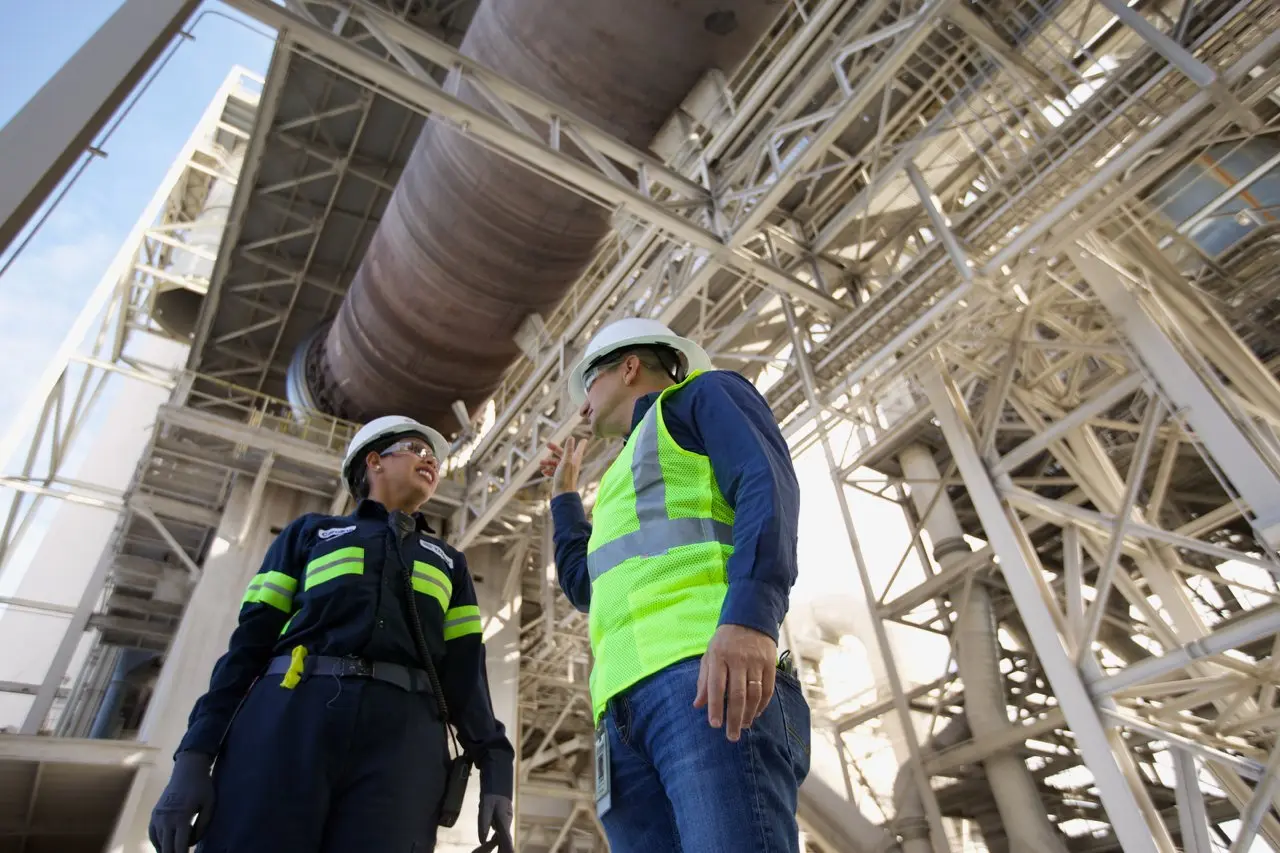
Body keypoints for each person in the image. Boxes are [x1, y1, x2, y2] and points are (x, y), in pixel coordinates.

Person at [149, 415, 515, 853]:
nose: (430, 460)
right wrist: (193, 757)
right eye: (416, 449)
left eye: (434, 456)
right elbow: (247, 649)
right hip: (289, 723)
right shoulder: (311, 534)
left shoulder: (449, 562)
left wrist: (496, 771)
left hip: (402, 746)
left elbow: (466, 676)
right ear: (374, 461)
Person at [539, 318, 811, 852]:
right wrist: (564, 501)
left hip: (704, 675)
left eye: (587, 385)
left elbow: (765, 482)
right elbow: (584, 586)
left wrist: (750, 617)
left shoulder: (702, 397)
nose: (582, 406)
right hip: (620, 713)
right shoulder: (621, 475)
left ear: (629, 367)